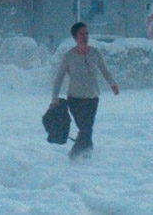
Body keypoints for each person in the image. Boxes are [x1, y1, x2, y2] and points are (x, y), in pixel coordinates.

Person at [51, 22, 119, 159]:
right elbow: (59, 77)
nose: (85, 36)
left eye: (87, 33)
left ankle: (83, 154)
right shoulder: (69, 56)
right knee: (85, 128)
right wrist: (55, 96)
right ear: (75, 37)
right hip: (75, 98)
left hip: (92, 97)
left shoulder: (95, 53)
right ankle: (79, 154)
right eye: (82, 34)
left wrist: (113, 84)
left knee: (87, 128)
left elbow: (105, 70)